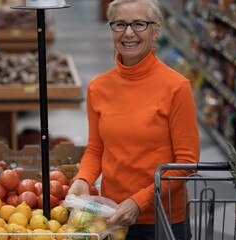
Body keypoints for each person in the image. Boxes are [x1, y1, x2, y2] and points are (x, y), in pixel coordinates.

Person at [67, 0, 200, 239]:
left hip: (163, 219)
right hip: (112, 216)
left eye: (139, 24)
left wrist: (139, 201)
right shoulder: (99, 87)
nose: (129, 33)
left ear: (156, 30)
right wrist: (83, 179)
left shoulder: (176, 87)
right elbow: (96, 149)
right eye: (120, 24)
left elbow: (186, 164)